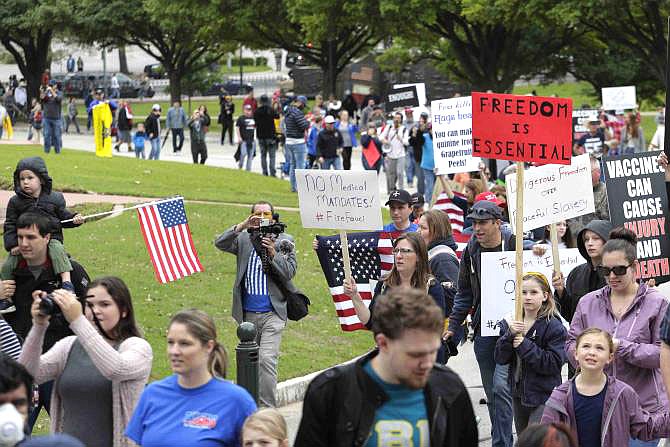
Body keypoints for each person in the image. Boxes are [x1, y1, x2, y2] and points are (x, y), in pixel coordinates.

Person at [295, 287, 478, 446]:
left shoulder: (450, 389)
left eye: (432, 351)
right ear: (383, 343)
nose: (427, 363)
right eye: (415, 354)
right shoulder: (330, 393)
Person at [20, 277, 153, 447]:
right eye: (90, 305)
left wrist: (77, 321)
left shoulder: (137, 347)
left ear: (124, 310)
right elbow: (24, 375)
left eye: (105, 304)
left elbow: (115, 368)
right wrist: (39, 325)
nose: (95, 311)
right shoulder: (69, 347)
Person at [565, 228, 669, 447]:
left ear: (636, 267)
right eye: (606, 270)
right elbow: (570, 344)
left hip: (643, 411)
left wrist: (621, 347)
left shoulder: (657, 302)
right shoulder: (587, 303)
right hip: (595, 406)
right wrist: (587, 355)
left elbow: (662, 354)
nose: (612, 276)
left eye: (620, 270)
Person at [444, 200, 532, 447]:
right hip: (486, 328)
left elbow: (537, 264)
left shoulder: (514, 244)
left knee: (505, 389)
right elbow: (464, 292)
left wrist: (538, 251)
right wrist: (453, 326)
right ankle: (501, 442)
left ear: (497, 222)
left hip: (518, 328)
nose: (477, 229)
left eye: (483, 223)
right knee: (494, 393)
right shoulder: (472, 250)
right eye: (473, 223)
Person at [1, 212, 90, 431]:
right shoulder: (9, 275)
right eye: (20, 237)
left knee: (71, 431)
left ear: (47, 238)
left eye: (31, 237)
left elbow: (90, 317)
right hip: (19, 370)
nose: (24, 243)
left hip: (61, 368)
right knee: (11, 434)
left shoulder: (71, 272)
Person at [126, 309, 256, 446]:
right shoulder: (152, 394)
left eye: (184, 343)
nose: (174, 351)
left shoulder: (236, 401)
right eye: (170, 342)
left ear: (208, 347)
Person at [214, 201, 297, 407]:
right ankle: (248, 407)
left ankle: (267, 412)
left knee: (267, 360)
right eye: (257, 213)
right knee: (249, 363)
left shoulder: (284, 240)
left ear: (273, 216)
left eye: (265, 213)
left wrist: (273, 254)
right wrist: (242, 225)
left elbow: (289, 273)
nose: (261, 216)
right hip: (247, 316)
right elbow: (220, 243)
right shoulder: (243, 239)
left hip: (273, 313)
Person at [542, 328, 670, 447]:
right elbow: (544, 437)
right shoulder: (559, 397)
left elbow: (645, 427)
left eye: (599, 348)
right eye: (586, 346)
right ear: (575, 354)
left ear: (610, 357)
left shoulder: (623, 393)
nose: (592, 352)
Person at [1, 157, 85, 313]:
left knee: (57, 251)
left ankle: (67, 283)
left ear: (41, 179)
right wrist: (13, 244)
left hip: (51, 238)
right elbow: (10, 224)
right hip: (22, 244)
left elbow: (64, 218)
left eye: (30, 178)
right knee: (7, 265)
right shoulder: (15, 202)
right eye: (22, 179)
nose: (25, 182)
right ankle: (7, 298)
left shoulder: (55, 198)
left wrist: (74, 219)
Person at [494, 273, 567, 435]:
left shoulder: (553, 326)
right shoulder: (511, 322)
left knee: (537, 439)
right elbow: (500, 357)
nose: (527, 297)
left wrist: (525, 345)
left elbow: (554, 363)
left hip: (544, 395)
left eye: (533, 292)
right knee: (523, 438)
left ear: (545, 296)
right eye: (523, 292)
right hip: (519, 394)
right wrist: (509, 336)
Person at [418, 209, 459, 316]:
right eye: (419, 227)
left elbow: (452, 298)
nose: (418, 231)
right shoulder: (433, 253)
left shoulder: (442, 259)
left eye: (423, 228)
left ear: (437, 231)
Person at [566, 156, 609, 236]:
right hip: (574, 240)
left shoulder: (606, 192)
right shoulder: (572, 190)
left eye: (588, 172)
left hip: (597, 238)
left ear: (598, 172)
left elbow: (607, 221)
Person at [284, 96, 310, 192]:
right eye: (303, 104)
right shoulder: (297, 112)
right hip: (298, 142)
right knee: (300, 166)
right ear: (300, 103)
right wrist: (308, 121)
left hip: (289, 142)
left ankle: (293, 187)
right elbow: (304, 125)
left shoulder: (288, 110)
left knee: (293, 165)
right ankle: (300, 188)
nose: (303, 107)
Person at [380, 112, 408, 192]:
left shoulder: (404, 129)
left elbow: (406, 142)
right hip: (390, 154)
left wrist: (401, 139)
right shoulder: (389, 127)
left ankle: (401, 190)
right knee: (392, 174)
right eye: (395, 118)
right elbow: (381, 136)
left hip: (400, 155)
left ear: (401, 120)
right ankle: (392, 190)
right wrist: (384, 140)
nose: (396, 119)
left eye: (398, 118)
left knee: (400, 173)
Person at [254, 95, 280, 177]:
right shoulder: (270, 110)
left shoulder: (257, 111)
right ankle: (272, 172)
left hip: (261, 136)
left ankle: (264, 172)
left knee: (263, 155)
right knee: (272, 156)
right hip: (270, 136)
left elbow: (255, 121)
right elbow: (277, 116)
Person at [408, 112, 429, 197]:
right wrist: (414, 133)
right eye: (420, 119)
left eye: (423, 119)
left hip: (428, 155)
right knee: (420, 176)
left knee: (428, 177)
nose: (421, 121)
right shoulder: (414, 128)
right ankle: (421, 194)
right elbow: (412, 142)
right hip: (418, 156)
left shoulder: (428, 128)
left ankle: (429, 193)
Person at [40, 80, 63, 155]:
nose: (50, 86)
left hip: (56, 118)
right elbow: (42, 99)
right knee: (46, 135)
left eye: (51, 85)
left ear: (55, 85)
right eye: (49, 85)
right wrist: (42, 91)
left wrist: (52, 91)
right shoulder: (47, 93)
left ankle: (57, 152)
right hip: (47, 118)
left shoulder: (59, 93)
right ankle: (47, 151)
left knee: (56, 135)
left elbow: (58, 99)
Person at [419, 116, 436, 203]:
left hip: (437, 166)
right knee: (430, 184)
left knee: (437, 185)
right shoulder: (425, 137)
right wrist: (420, 130)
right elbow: (419, 140)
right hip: (427, 165)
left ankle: (434, 200)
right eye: (430, 129)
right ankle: (429, 201)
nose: (432, 131)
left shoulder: (440, 138)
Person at [236, 104, 256, 171]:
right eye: (246, 110)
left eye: (249, 110)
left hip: (252, 140)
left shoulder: (253, 118)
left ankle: (248, 170)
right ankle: (240, 165)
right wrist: (239, 137)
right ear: (244, 110)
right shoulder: (241, 118)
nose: (248, 111)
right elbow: (237, 128)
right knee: (243, 154)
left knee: (250, 156)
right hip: (244, 140)